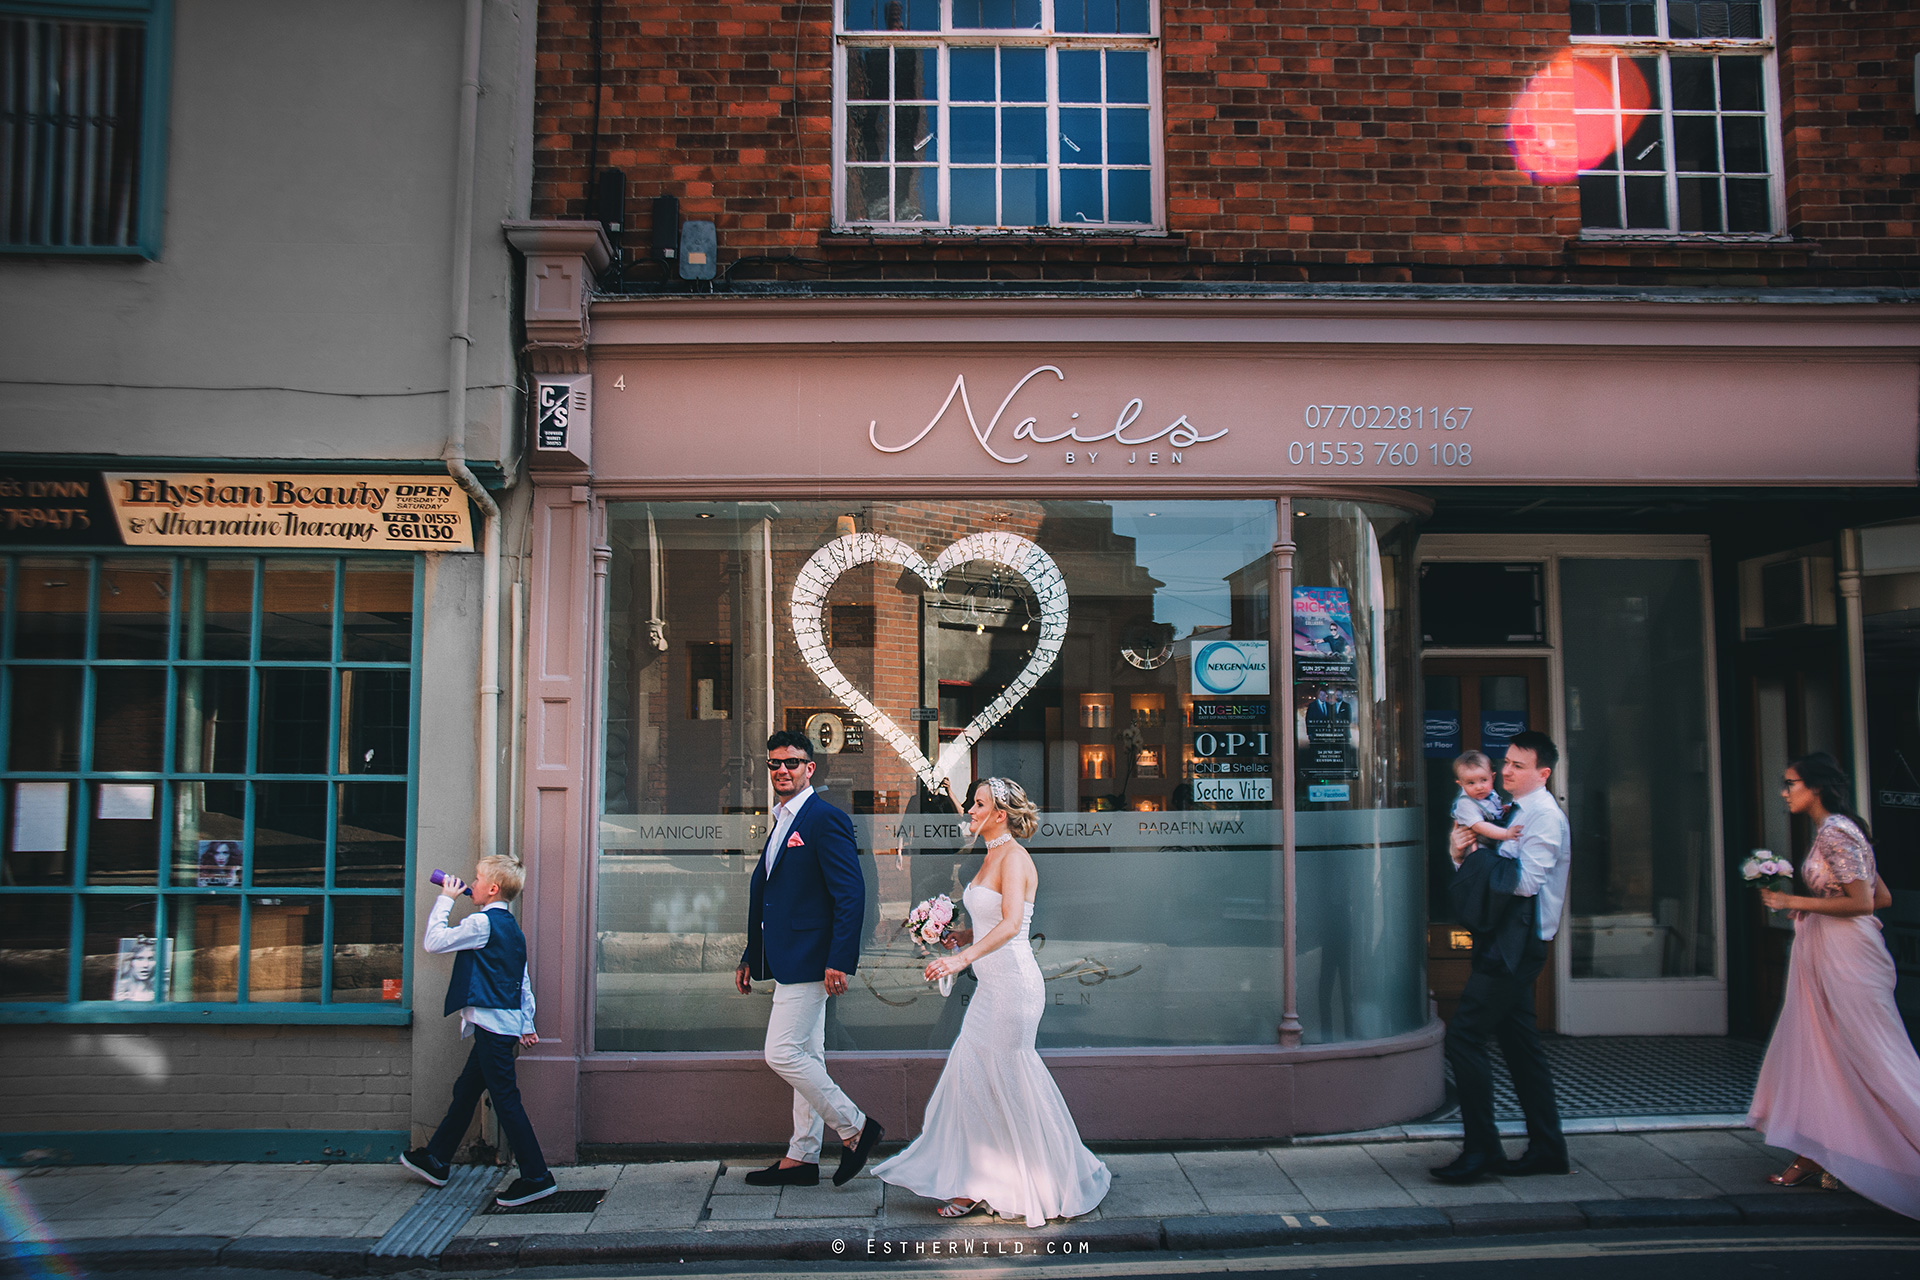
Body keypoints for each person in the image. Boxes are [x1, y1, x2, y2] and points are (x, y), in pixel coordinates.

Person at [874, 776, 1111, 1226]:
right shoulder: (987, 857)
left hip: (1015, 987)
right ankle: (976, 1179)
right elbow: (987, 926)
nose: (969, 810)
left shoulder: (1015, 857)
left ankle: (1042, 1176)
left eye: (978, 804)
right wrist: (954, 935)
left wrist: (961, 959)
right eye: (971, 803)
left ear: (1000, 814)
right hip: (991, 988)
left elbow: (1010, 925)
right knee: (971, 1078)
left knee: (1009, 1079)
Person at [1749, 753, 1919, 1217]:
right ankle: (1819, 1153)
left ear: (1816, 787)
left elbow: (1864, 902)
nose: (1784, 792)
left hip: (1847, 958)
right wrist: (1806, 904)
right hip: (1828, 951)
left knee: (1872, 1054)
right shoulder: (1842, 830)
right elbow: (1880, 895)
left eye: (1790, 783)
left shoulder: (1837, 832)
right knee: (1826, 1050)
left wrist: (1793, 899)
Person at [735, 730, 884, 1188]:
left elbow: (850, 894)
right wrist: (749, 955)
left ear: (810, 768)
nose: (782, 770)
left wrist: (840, 958)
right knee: (807, 1055)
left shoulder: (825, 819)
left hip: (812, 960)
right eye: (774, 764)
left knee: (781, 1052)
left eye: (792, 763)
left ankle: (855, 1127)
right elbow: (771, 896)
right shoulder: (780, 818)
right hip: (785, 957)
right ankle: (802, 1157)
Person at [1433, 731, 1569, 1184]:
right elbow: (1490, 863)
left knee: (1464, 1037)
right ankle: (1548, 1148)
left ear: (1543, 773)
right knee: (1520, 1046)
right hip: (1504, 938)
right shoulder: (1508, 810)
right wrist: (1461, 854)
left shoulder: (1543, 817)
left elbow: (1526, 883)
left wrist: (1471, 858)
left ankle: (1482, 1150)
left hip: (1517, 944)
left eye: (1517, 765)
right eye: (1505, 762)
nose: (1505, 771)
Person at [400, 855, 556, 1208]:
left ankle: (537, 1177)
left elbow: (434, 942)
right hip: (499, 1026)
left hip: (492, 1026)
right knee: (466, 1090)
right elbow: (522, 982)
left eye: (476, 877)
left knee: (506, 1101)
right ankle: (436, 1158)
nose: (471, 881)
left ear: (492, 888)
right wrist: (526, 1024)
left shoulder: (482, 924)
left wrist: (446, 898)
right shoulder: (511, 929)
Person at [1450, 750, 1522, 856]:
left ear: (1492, 777)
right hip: (1477, 844)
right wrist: (1506, 834)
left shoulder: (1490, 794)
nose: (1479, 787)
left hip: (1492, 840)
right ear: (1461, 784)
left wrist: (1502, 810)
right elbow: (1480, 827)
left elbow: (1493, 809)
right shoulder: (1465, 804)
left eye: (1483, 780)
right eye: (1471, 783)